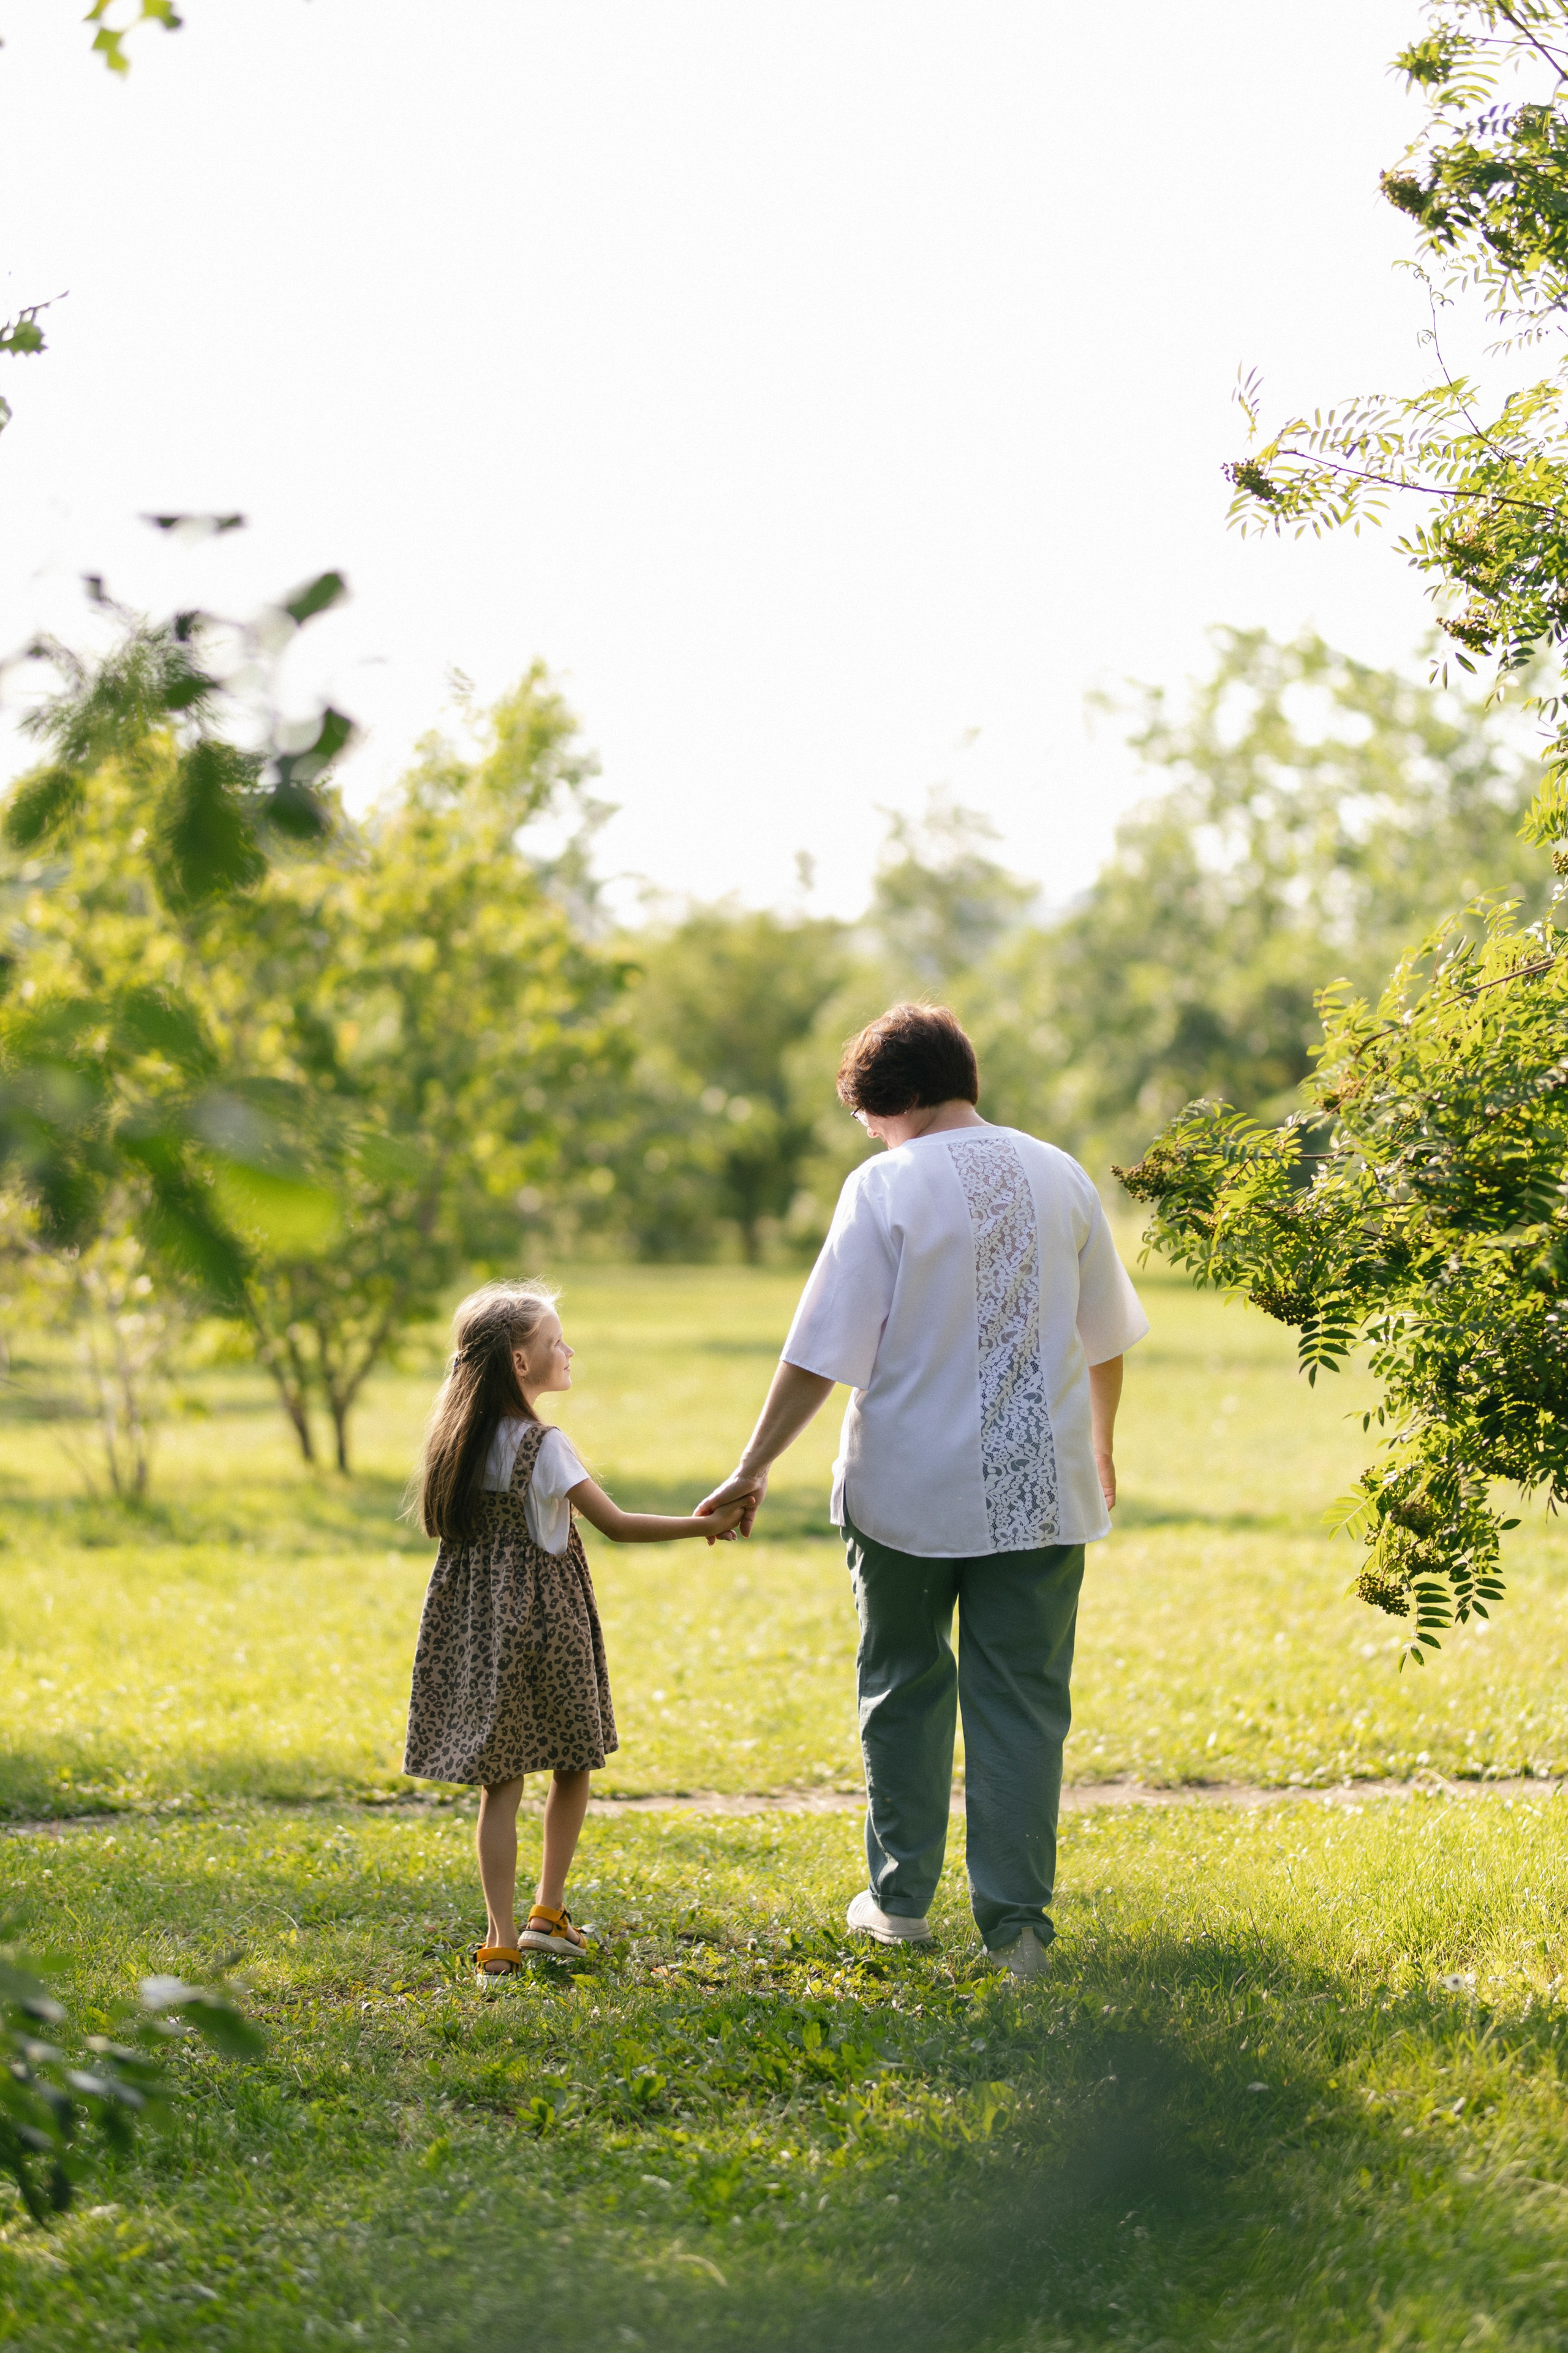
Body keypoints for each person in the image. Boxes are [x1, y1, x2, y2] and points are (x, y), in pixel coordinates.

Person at [698, 1003, 1148, 1977]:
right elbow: (1105, 1339)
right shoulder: (1062, 1173)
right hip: (1040, 1487)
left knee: (902, 1685)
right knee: (1023, 1702)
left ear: (896, 1099)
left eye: (870, 1114)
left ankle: (900, 1901)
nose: (870, 1132)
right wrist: (1101, 1450)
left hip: (906, 1488)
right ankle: (1019, 1929)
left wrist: (752, 1464)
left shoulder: (885, 1184)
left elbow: (821, 1351)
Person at [405, 1279, 745, 1982]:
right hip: (550, 1620)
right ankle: (547, 1913)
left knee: (501, 1782)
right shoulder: (544, 1444)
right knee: (571, 1759)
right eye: (554, 1341)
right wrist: (704, 1524)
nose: (567, 1350)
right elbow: (617, 1524)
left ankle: (499, 1940)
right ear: (520, 1365)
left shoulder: (457, 1441)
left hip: (477, 1622)